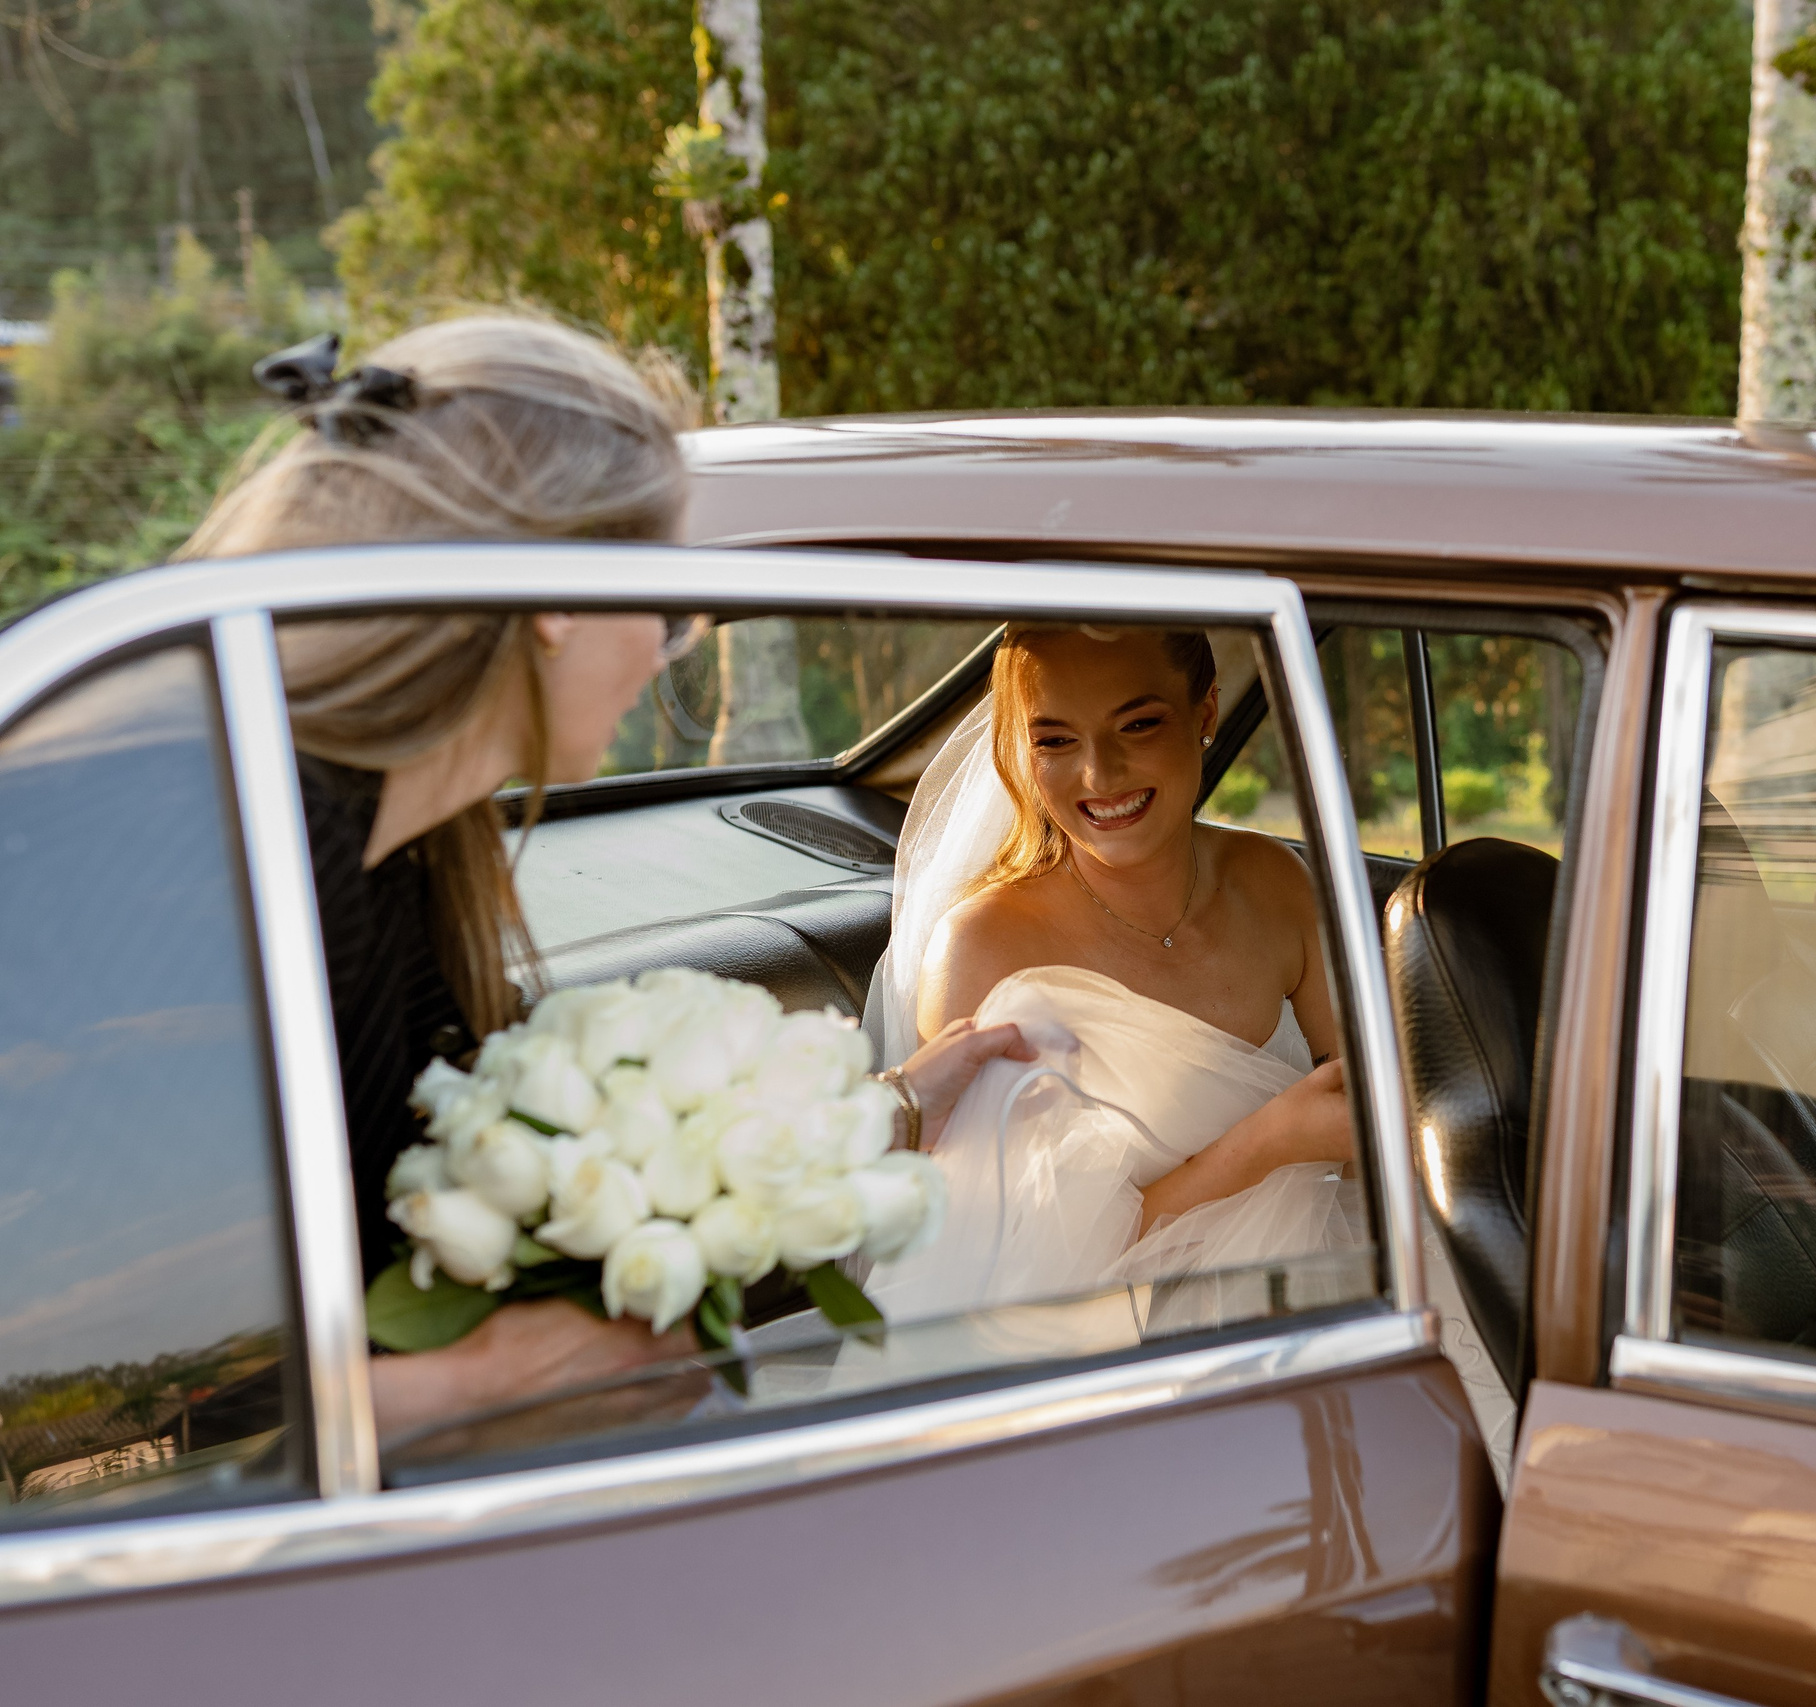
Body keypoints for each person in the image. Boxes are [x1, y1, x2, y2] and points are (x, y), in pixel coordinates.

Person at [181, 316, 1032, 1442]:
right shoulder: (262, 870)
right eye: (664, 603)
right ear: (552, 601)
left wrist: (856, 1127)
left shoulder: (410, 855)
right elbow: (156, 1402)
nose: (668, 646)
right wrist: (488, 1382)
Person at [860, 624, 1360, 1323]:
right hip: (1104, 1358)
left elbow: (1368, 1123)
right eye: (1055, 740)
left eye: (1139, 723)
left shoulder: (1276, 882)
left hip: (1322, 1287)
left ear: (1206, 712)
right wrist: (1269, 1145)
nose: (1099, 773)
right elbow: (1010, 1273)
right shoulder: (984, 952)